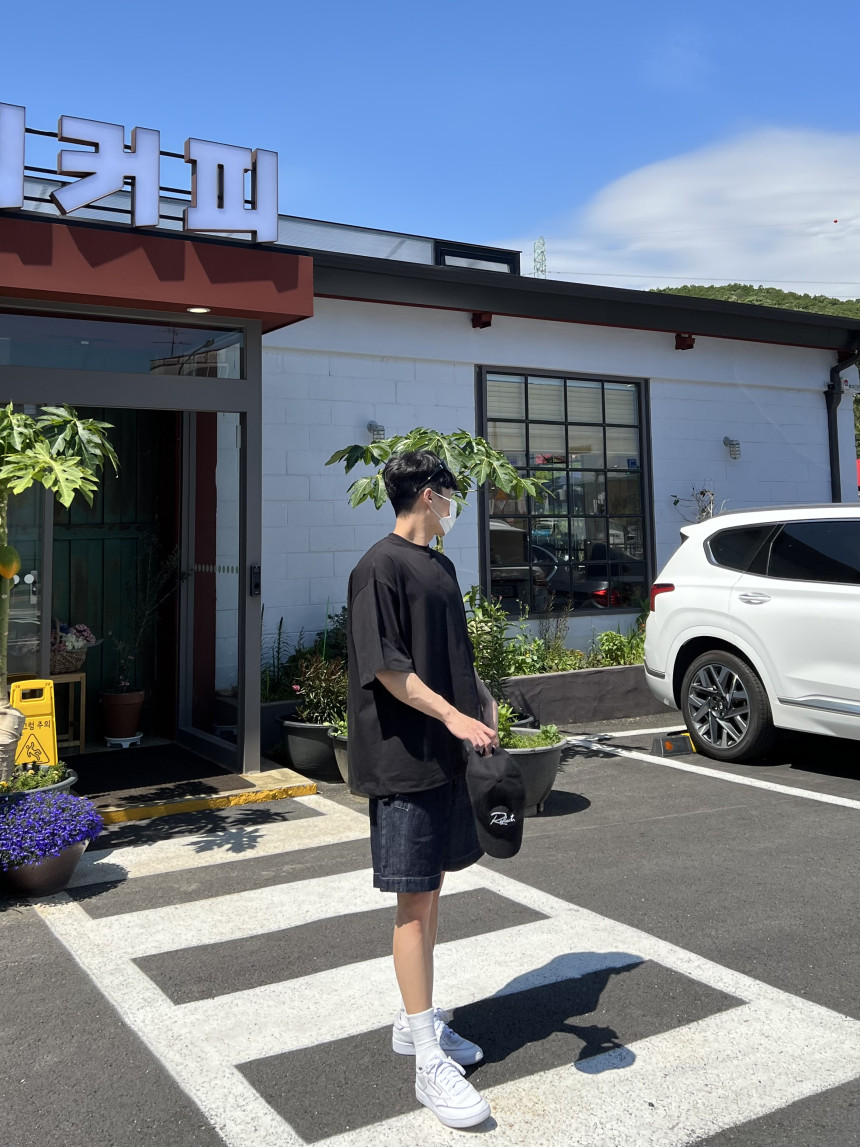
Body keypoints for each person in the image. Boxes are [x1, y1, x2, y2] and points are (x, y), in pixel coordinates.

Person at [346, 449, 499, 1130]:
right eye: (450, 496)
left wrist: (481, 700)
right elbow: (388, 669)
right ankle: (426, 1061)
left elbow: (453, 652)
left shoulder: (441, 566)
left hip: (445, 755)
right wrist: (453, 716)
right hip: (403, 758)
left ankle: (419, 1025)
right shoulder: (377, 568)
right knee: (413, 902)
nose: (454, 508)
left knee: (431, 893)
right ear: (430, 495)